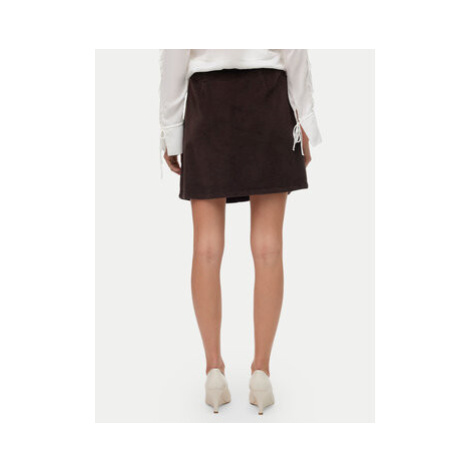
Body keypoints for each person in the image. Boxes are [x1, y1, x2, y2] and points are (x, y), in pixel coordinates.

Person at [159, 49, 321, 414]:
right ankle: (261, 373)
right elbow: (293, 49)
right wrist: (305, 121)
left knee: (206, 249)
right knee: (269, 249)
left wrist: (171, 131)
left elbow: (175, 53)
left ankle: (214, 372)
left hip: (207, 102)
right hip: (269, 99)